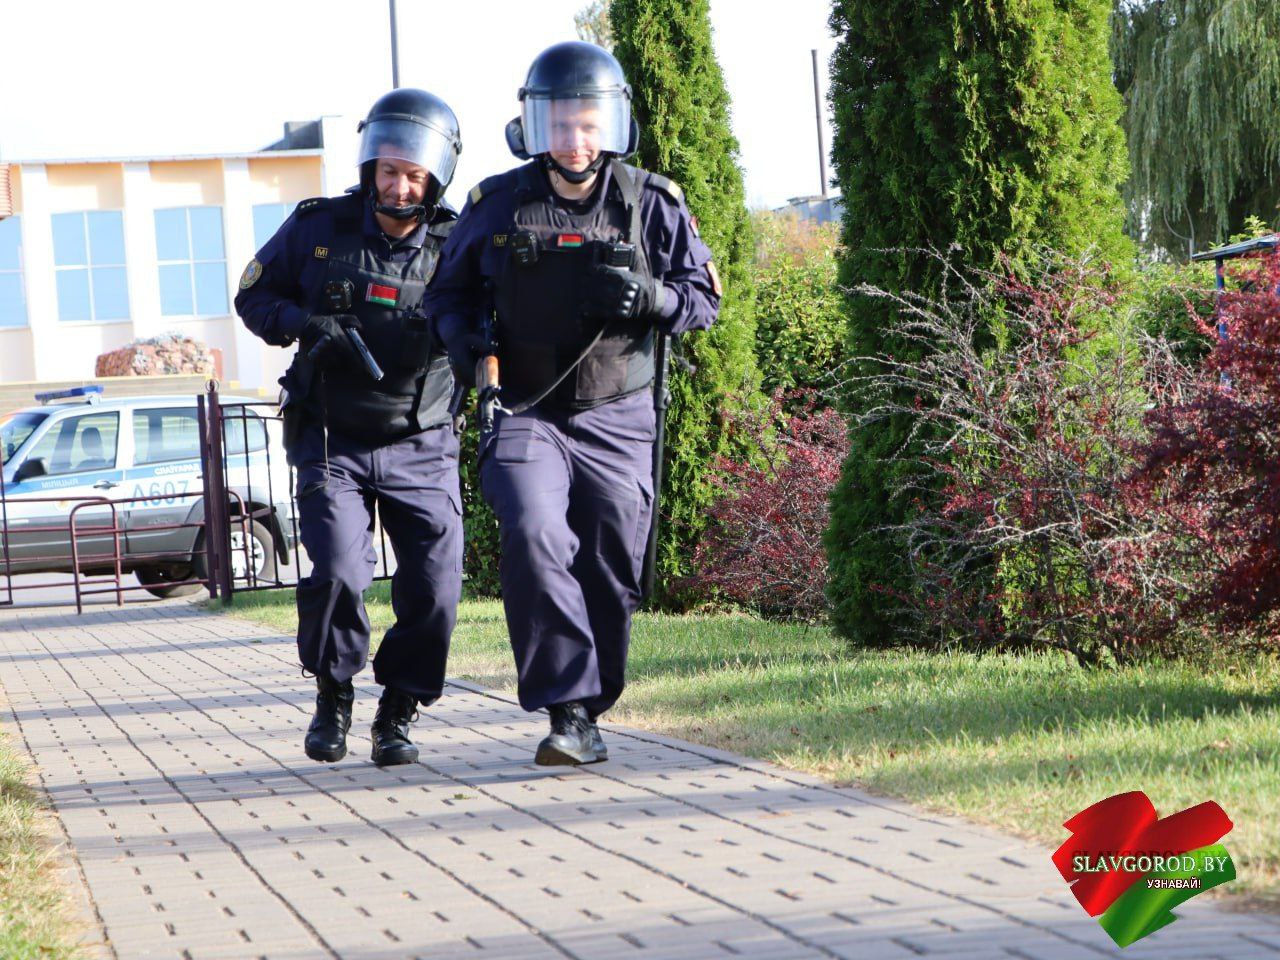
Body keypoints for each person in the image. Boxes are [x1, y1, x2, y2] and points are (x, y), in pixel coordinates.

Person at [424, 41, 720, 765]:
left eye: (588, 124)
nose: (574, 139)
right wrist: (466, 347)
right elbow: (447, 297)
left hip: (619, 412)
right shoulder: (496, 205)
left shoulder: (652, 202)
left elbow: (703, 299)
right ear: (534, 126)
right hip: (527, 409)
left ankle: (593, 702)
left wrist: (652, 298)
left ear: (611, 124)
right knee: (533, 534)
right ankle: (568, 709)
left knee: (610, 566)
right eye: (560, 123)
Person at [235, 89, 464, 766]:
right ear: (370, 166)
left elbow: (501, 317)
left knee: (437, 587)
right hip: (332, 435)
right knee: (337, 570)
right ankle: (333, 692)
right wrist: (305, 324)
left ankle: (398, 710)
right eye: (388, 171)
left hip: (422, 438)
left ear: (436, 177)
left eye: (413, 175)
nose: (399, 187)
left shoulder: (458, 244)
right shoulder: (319, 228)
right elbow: (254, 295)